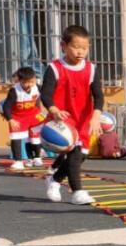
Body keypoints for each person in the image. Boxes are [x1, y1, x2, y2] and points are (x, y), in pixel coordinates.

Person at [40, 25, 104, 205]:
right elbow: (46, 94)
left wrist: (96, 116)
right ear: (63, 46)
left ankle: (54, 180)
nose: (80, 52)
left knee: (81, 155)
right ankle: (77, 192)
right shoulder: (55, 68)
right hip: (63, 118)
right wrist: (54, 110)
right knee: (75, 154)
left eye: (84, 47)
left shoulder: (91, 69)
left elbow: (98, 95)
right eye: (75, 47)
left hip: (84, 119)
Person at [1, 66, 46, 170]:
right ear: (20, 80)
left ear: (35, 79)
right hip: (18, 117)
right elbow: (6, 106)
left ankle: (37, 158)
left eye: (32, 81)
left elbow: (46, 98)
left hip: (34, 115)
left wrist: (47, 111)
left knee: (35, 137)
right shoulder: (14, 91)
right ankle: (18, 161)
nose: (29, 84)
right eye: (26, 82)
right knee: (16, 138)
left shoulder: (37, 87)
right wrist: (10, 119)